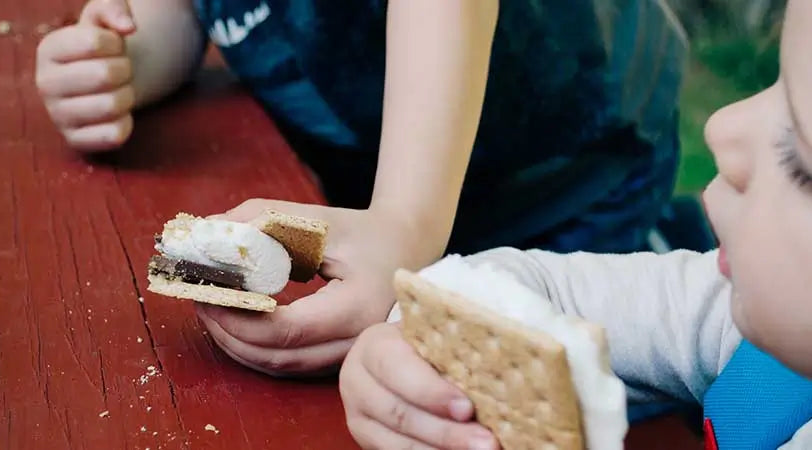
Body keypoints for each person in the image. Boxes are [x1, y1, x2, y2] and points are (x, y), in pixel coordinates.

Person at [35, 0, 693, 377]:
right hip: (374, 177)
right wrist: (123, 65)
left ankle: (687, 260)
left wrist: (406, 221)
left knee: (559, 377)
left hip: (565, 172)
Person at [338, 1, 812, 448]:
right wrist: (408, 356)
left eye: (801, 160)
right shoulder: (726, 316)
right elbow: (507, 294)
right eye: (776, 84)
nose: (720, 127)